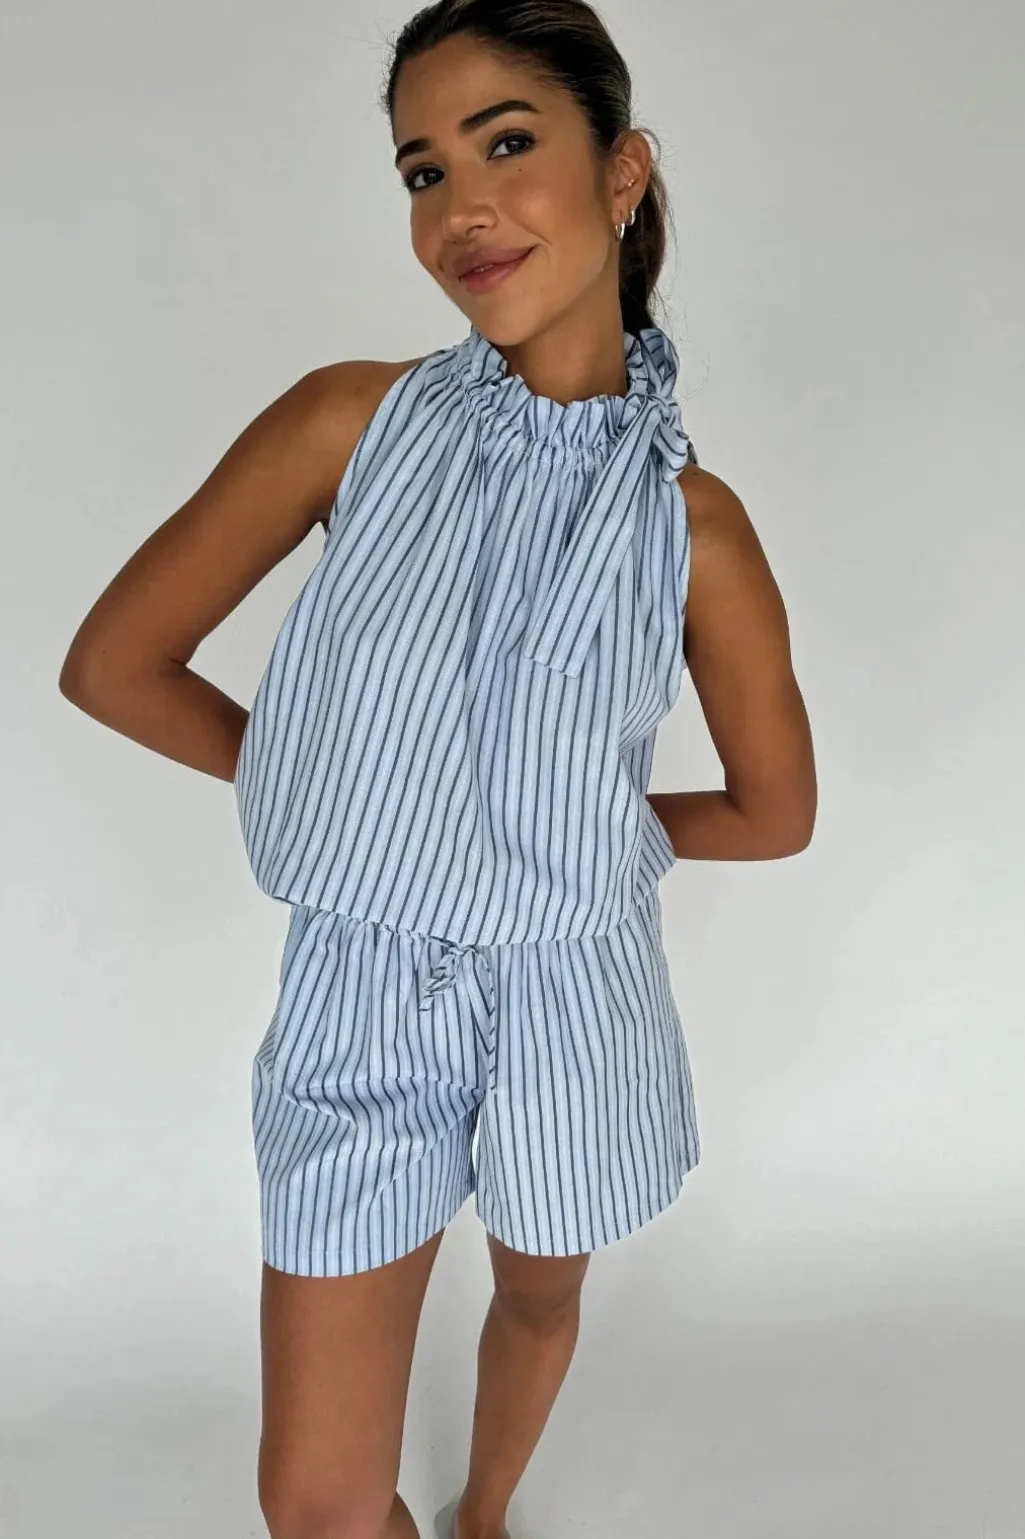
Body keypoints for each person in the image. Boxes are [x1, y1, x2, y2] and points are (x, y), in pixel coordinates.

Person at [59, 1, 817, 1535]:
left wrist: (568, 830)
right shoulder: (352, 425)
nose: (461, 206)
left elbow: (774, 812)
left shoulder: (694, 528)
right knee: (319, 1500)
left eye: (507, 143)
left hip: (575, 990)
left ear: (623, 172)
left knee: (538, 1293)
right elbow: (114, 664)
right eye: (422, 171)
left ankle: (485, 1514)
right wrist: (344, 793)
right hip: (364, 992)